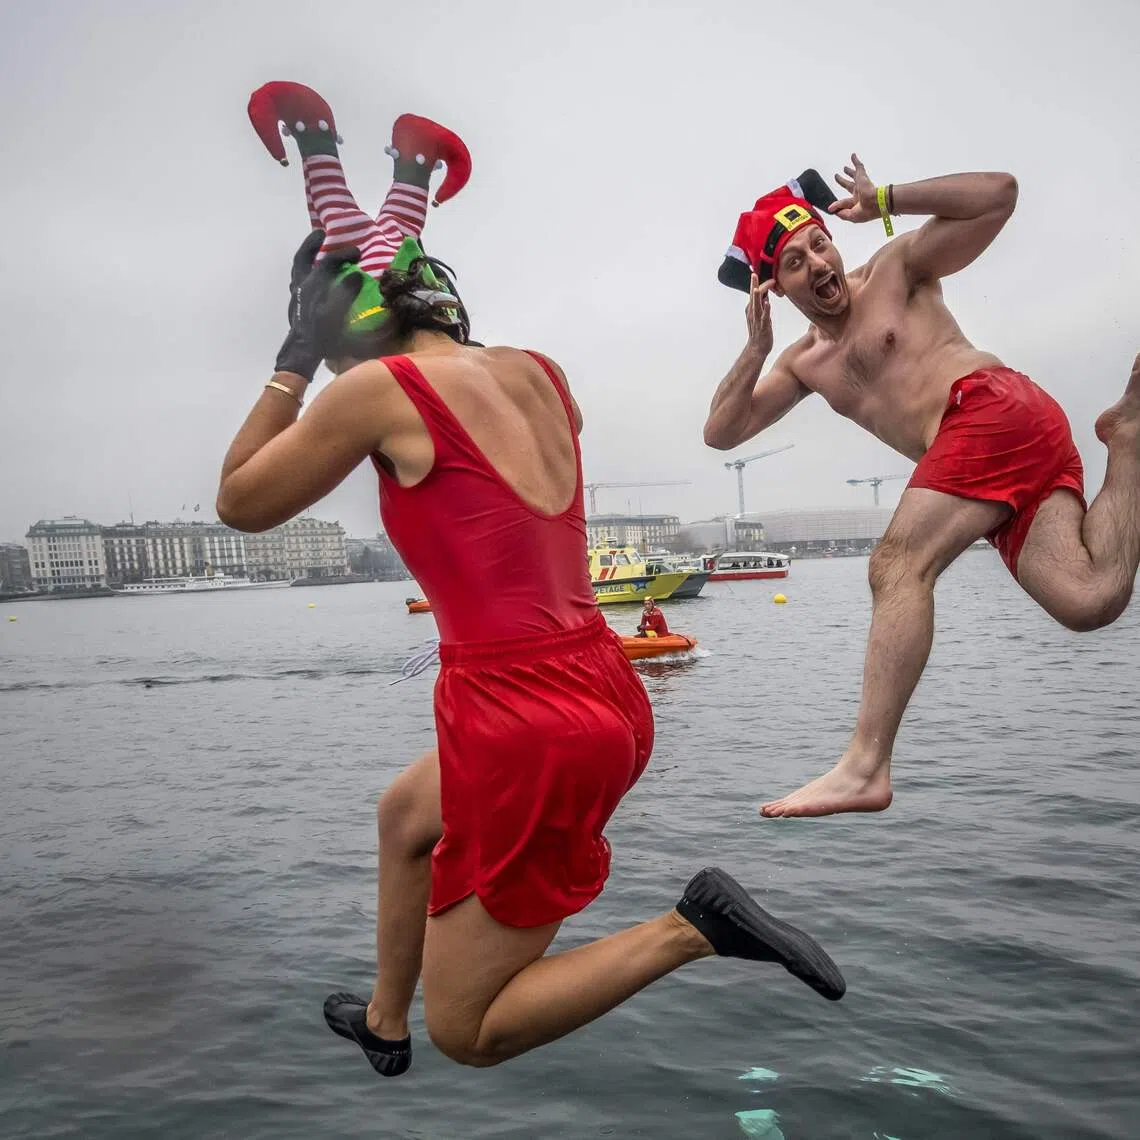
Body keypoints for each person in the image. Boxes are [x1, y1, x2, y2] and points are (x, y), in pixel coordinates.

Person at [216, 233, 846, 1076]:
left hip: (520, 720)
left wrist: (294, 358)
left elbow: (239, 500)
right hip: (605, 688)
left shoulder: (374, 390)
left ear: (350, 332)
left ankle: (691, 929)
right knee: (406, 815)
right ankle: (384, 1020)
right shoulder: (543, 375)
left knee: (468, 1031)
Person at [704, 155, 1140, 819]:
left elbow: (999, 195)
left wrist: (886, 198)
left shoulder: (894, 269)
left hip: (986, 406)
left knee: (897, 565)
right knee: (1090, 600)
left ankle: (865, 766)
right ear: (776, 288)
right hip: (1015, 443)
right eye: (795, 262)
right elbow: (721, 432)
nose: (817, 264)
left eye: (819, 244)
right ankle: (1129, 442)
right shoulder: (803, 363)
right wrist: (755, 350)